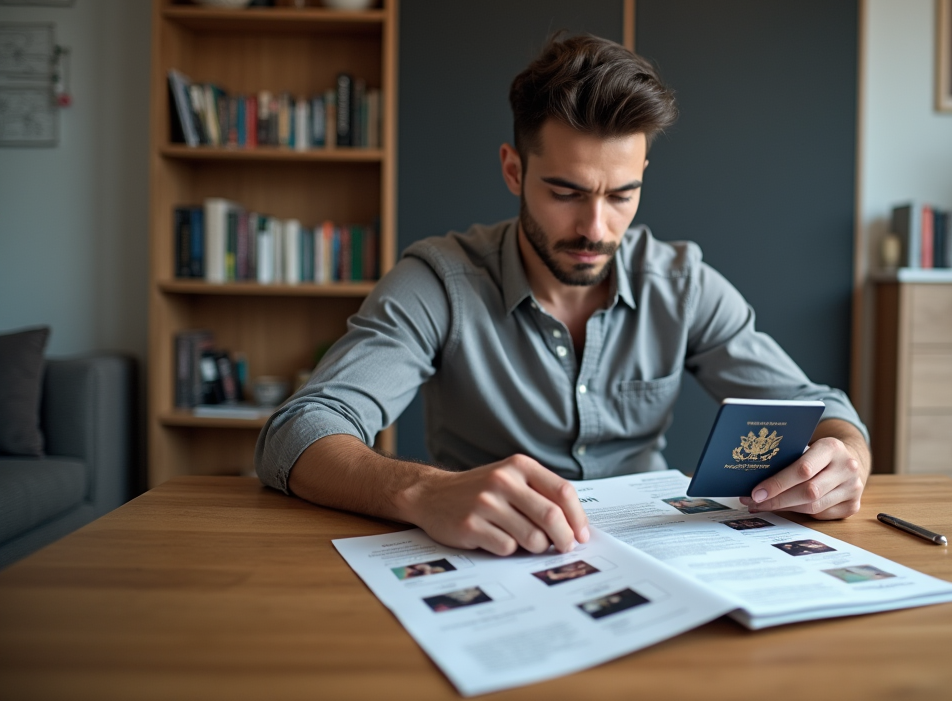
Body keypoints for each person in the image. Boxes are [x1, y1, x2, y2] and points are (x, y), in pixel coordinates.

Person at [255, 33, 871, 557]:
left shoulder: (681, 283)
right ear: (513, 171)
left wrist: (845, 457)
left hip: (655, 558)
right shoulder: (439, 279)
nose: (596, 230)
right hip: (491, 557)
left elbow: (818, 404)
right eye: (567, 192)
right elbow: (298, 431)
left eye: (621, 195)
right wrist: (424, 492)